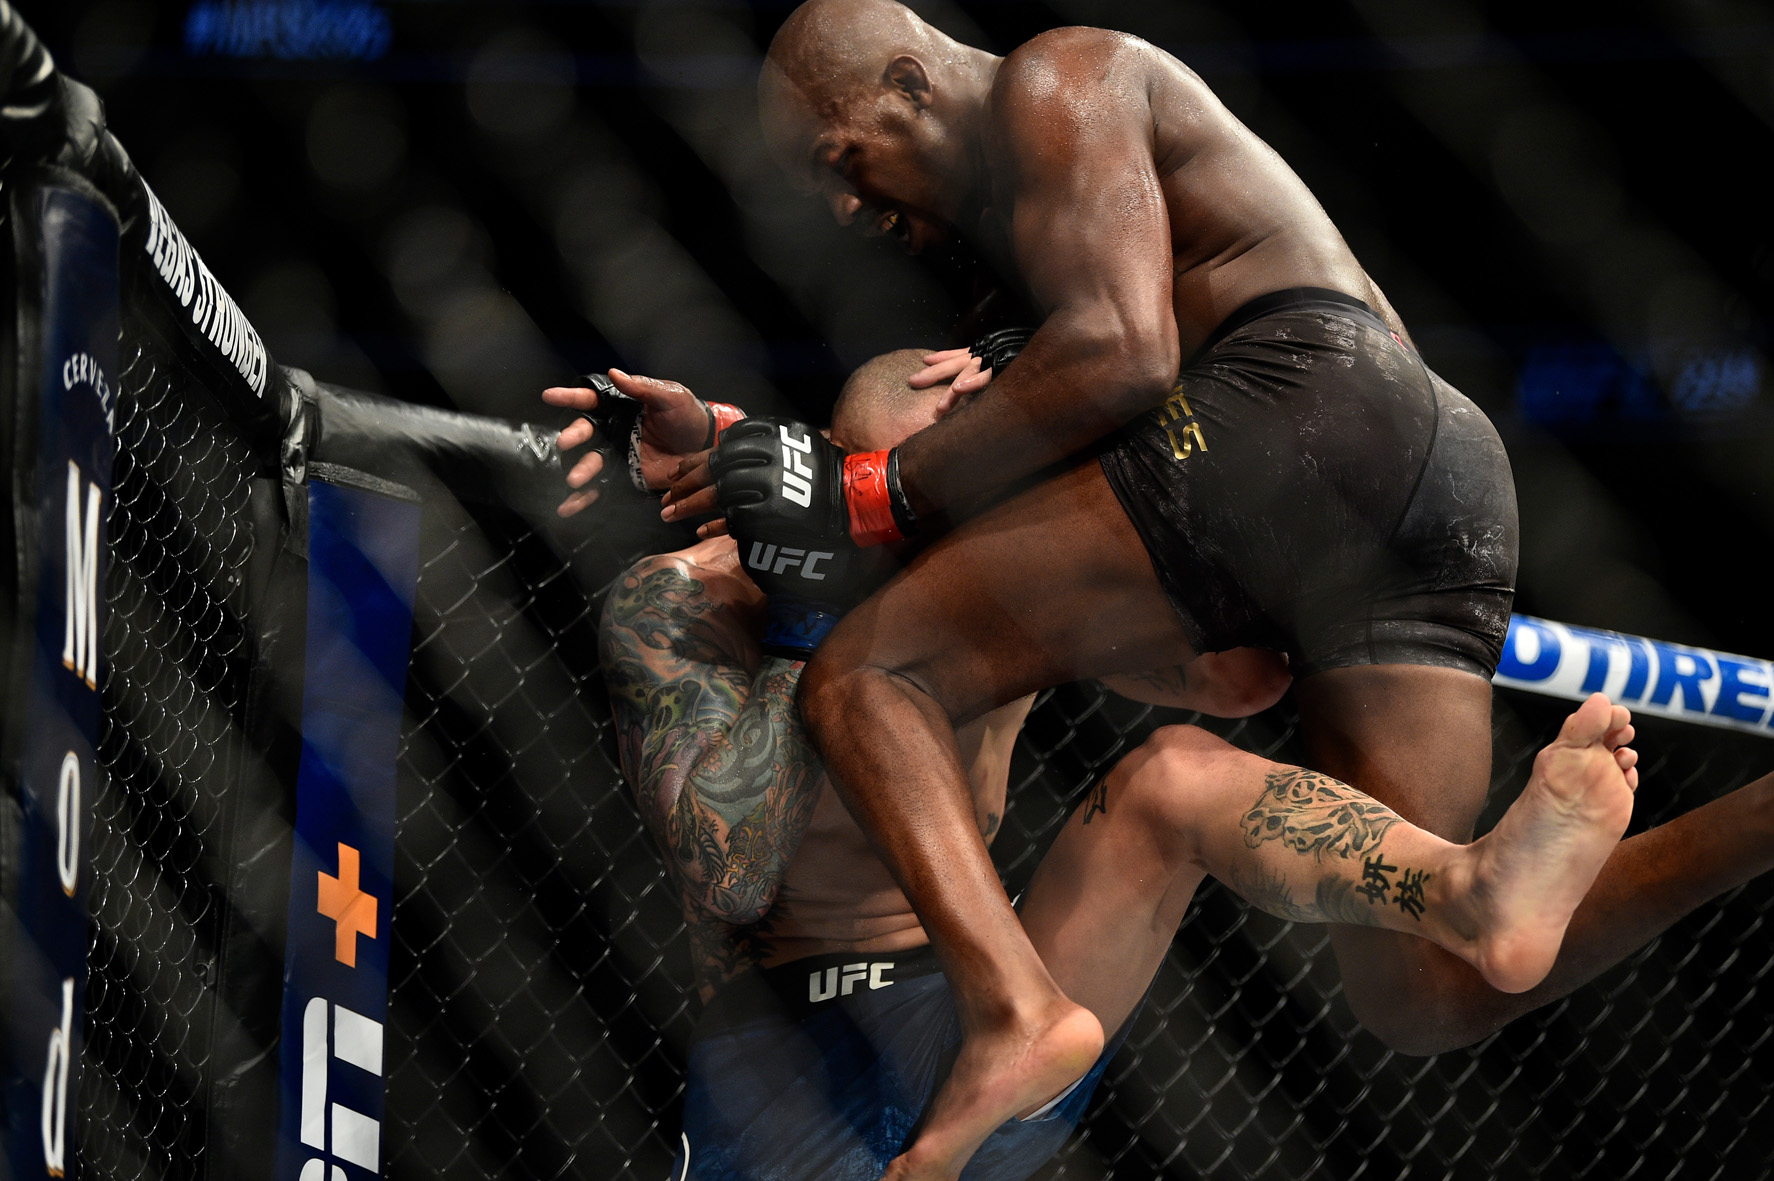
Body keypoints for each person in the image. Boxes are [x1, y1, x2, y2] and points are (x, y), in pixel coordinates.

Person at [647, 3, 1774, 1176]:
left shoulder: (1056, 79)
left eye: (837, 157)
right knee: (1427, 982)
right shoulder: (1018, 259)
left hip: (1297, 402)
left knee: (870, 671)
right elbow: (1224, 665)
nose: (839, 204)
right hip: (1438, 479)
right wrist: (752, 454)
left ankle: (1012, 1010)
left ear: (909, 83)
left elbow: (1121, 352)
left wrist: (876, 488)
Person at [566, 352, 1641, 1180]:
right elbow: (730, 871)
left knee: (1174, 780)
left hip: (995, 1024)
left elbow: (1242, 678)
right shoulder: (689, 599)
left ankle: (1463, 887)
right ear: (846, 477)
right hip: (791, 1055)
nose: (937, 546)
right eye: (903, 509)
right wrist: (808, 610)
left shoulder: (1000, 586)